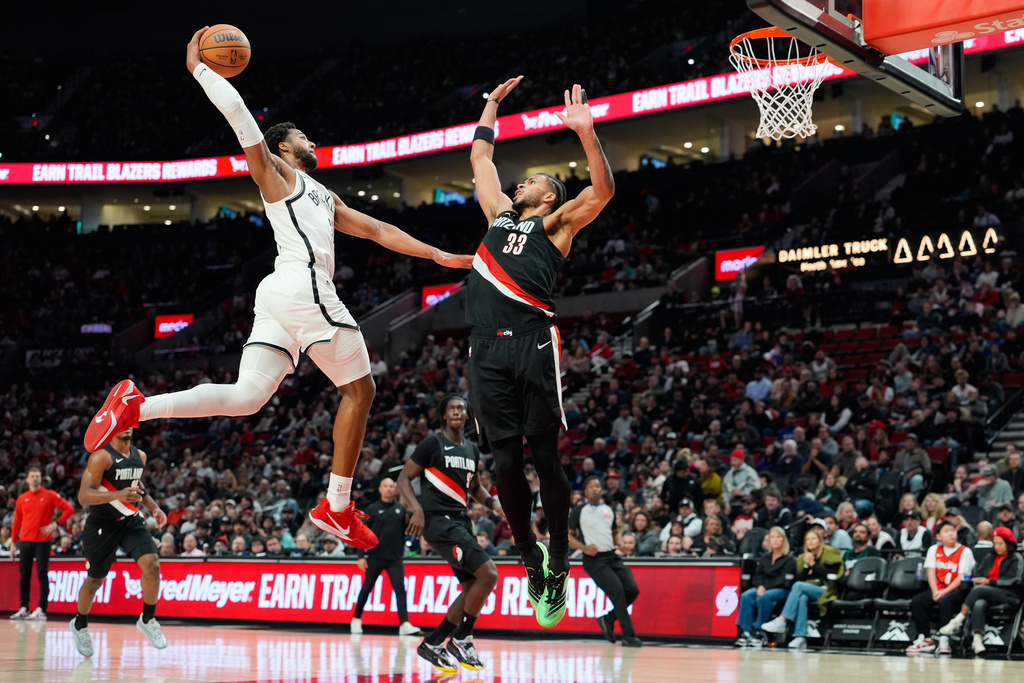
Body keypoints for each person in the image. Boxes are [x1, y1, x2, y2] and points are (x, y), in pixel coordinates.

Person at [84, 28, 472, 551]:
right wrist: (200, 68)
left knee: (247, 399)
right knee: (361, 389)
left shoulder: (323, 195)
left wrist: (434, 254)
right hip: (301, 285)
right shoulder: (277, 176)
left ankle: (136, 407)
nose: (313, 141)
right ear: (285, 147)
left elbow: (379, 230)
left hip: (279, 296)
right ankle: (336, 506)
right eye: (303, 137)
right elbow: (242, 118)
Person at [465, 76, 615, 628]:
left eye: (532, 179)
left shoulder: (556, 224)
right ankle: (531, 558)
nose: (520, 182)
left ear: (548, 194)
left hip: (532, 343)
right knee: (503, 460)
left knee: (544, 456)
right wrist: (491, 102)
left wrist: (587, 135)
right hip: (484, 350)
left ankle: (559, 556)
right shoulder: (496, 216)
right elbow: (481, 156)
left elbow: (601, 193)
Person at [396, 395, 504, 672]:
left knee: (471, 587)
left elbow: (475, 488)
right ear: (444, 415)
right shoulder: (432, 443)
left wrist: (493, 504)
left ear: (468, 416)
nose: (457, 411)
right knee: (489, 574)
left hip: (460, 521)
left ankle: (432, 643)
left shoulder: (471, 449)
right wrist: (416, 508)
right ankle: (463, 638)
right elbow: (403, 478)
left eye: (462, 408)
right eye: (452, 408)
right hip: (438, 522)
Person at [70, 427, 169, 658]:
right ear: (112, 429)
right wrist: (117, 495)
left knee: (153, 566)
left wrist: (154, 508)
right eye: (121, 423)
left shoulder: (140, 456)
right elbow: (84, 495)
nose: (127, 426)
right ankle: (80, 624)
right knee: (95, 580)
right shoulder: (101, 456)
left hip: (131, 520)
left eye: (131, 423)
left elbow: (138, 490)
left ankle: (148, 619)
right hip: (103, 524)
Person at [568, 477, 643, 647]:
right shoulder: (579, 511)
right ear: (586, 491)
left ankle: (607, 618)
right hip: (594, 560)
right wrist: (584, 548)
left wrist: (621, 544)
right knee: (617, 590)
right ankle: (628, 636)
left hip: (612, 556)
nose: (596, 489)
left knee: (632, 589)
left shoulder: (609, 509)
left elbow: (614, 533)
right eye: (592, 486)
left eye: (598, 486)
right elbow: (568, 536)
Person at [350, 478, 421, 636]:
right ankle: (356, 619)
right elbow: (361, 533)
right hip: (374, 556)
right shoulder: (372, 509)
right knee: (366, 588)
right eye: (386, 486)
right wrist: (361, 556)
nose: (389, 489)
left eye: (391, 486)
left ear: (395, 490)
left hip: (395, 558)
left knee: (400, 590)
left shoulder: (401, 509)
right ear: (380, 489)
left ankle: (404, 623)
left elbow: (403, 532)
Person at [939, 526, 1022, 655]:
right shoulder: (990, 557)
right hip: (988, 592)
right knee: (979, 604)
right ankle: (977, 640)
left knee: (978, 591)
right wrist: (976, 579)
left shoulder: (1016, 557)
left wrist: (990, 582)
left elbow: (1015, 579)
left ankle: (958, 621)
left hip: (1009, 594)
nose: (997, 547)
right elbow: (978, 572)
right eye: (995, 544)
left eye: (1000, 543)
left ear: (1009, 544)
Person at [761, 527, 845, 650]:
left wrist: (813, 565)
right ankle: (800, 637)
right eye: (807, 539)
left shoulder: (830, 554)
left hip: (826, 590)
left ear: (820, 541)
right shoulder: (802, 557)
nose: (810, 541)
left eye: (814, 538)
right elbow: (800, 578)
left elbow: (830, 579)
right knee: (802, 598)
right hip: (808, 590)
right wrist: (806, 566)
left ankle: (782, 619)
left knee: (798, 587)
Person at [9, 467, 75, 620]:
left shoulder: (50, 495)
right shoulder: (22, 498)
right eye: (32, 476)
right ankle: (24, 607)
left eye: (37, 476)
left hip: (43, 542)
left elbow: (69, 509)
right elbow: (17, 521)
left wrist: (56, 524)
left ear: (41, 478)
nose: (35, 479)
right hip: (25, 541)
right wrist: (13, 543)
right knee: (24, 575)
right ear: (27, 479)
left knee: (42, 574)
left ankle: (41, 609)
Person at [906, 521, 975, 655]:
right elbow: (931, 572)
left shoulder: (965, 551)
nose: (951, 533)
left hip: (957, 591)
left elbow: (961, 577)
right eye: (947, 531)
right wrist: (935, 591)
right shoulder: (934, 549)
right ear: (938, 536)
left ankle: (944, 640)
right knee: (918, 602)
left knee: (946, 601)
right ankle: (925, 638)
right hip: (937, 589)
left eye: (953, 530)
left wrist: (944, 592)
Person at [736, 527, 796, 648]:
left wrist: (765, 587)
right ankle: (746, 632)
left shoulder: (789, 560)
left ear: (784, 540)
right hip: (763, 589)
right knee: (746, 596)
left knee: (766, 597)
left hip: (782, 590)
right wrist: (760, 586)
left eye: (778, 537)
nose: (775, 540)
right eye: (772, 537)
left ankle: (760, 632)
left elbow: (785, 580)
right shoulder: (764, 558)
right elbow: (757, 576)